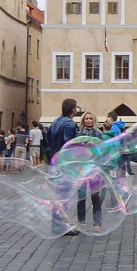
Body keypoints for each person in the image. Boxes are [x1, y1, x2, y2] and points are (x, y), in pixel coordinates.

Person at [47, 98, 81, 235]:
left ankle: (57, 223)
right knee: (64, 195)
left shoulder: (55, 122)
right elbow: (69, 145)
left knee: (58, 194)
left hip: (54, 162)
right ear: (73, 109)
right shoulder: (69, 124)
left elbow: (48, 140)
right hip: (65, 164)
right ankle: (60, 225)